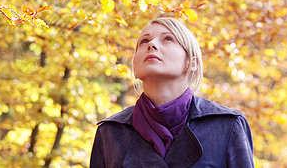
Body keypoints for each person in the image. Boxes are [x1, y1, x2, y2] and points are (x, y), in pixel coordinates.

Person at [90, 17, 254, 167]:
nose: (151, 44)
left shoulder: (227, 126)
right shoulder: (110, 133)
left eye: (168, 39)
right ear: (135, 69)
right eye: (144, 41)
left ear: (192, 62)